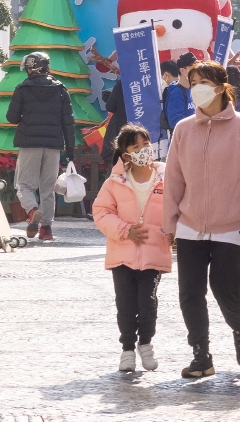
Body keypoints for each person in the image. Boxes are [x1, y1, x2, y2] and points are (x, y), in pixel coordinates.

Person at [163, 60, 240, 379]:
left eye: (204, 83)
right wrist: (169, 224)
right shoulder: (183, 129)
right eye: (193, 83)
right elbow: (173, 179)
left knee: (225, 288)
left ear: (222, 88)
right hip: (189, 225)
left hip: (232, 226)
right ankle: (201, 354)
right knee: (189, 293)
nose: (197, 89)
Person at [93, 124, 171, 373]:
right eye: (135, 147)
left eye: (145, 144)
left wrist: (174, 232)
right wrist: (125, 230)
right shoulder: (114, 183)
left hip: (154, 253)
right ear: (125, 154)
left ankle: (145, 344)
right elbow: (101, 212)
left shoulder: (166, 177)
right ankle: (127, 349)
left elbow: (178, 207)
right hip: (122, 255)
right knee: (125, 305)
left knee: (148, 304)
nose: (143, 150)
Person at [7, 51, 76, 242]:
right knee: (48, 188)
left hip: (29, 143)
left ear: (30, 68)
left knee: (24, 185)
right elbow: (68, 123)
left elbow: (12, 118)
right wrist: (70, 149)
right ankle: (46, 229)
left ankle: (32, 211)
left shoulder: (22, 89)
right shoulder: (61, 89)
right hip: (53, 145)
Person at [163, 52, 198, 132]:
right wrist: (198, 121)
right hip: (183, 138)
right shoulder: (176, 93)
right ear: (182, 70)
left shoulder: (193, 89)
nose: (197, 70)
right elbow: (174, 121)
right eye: (194, 67)